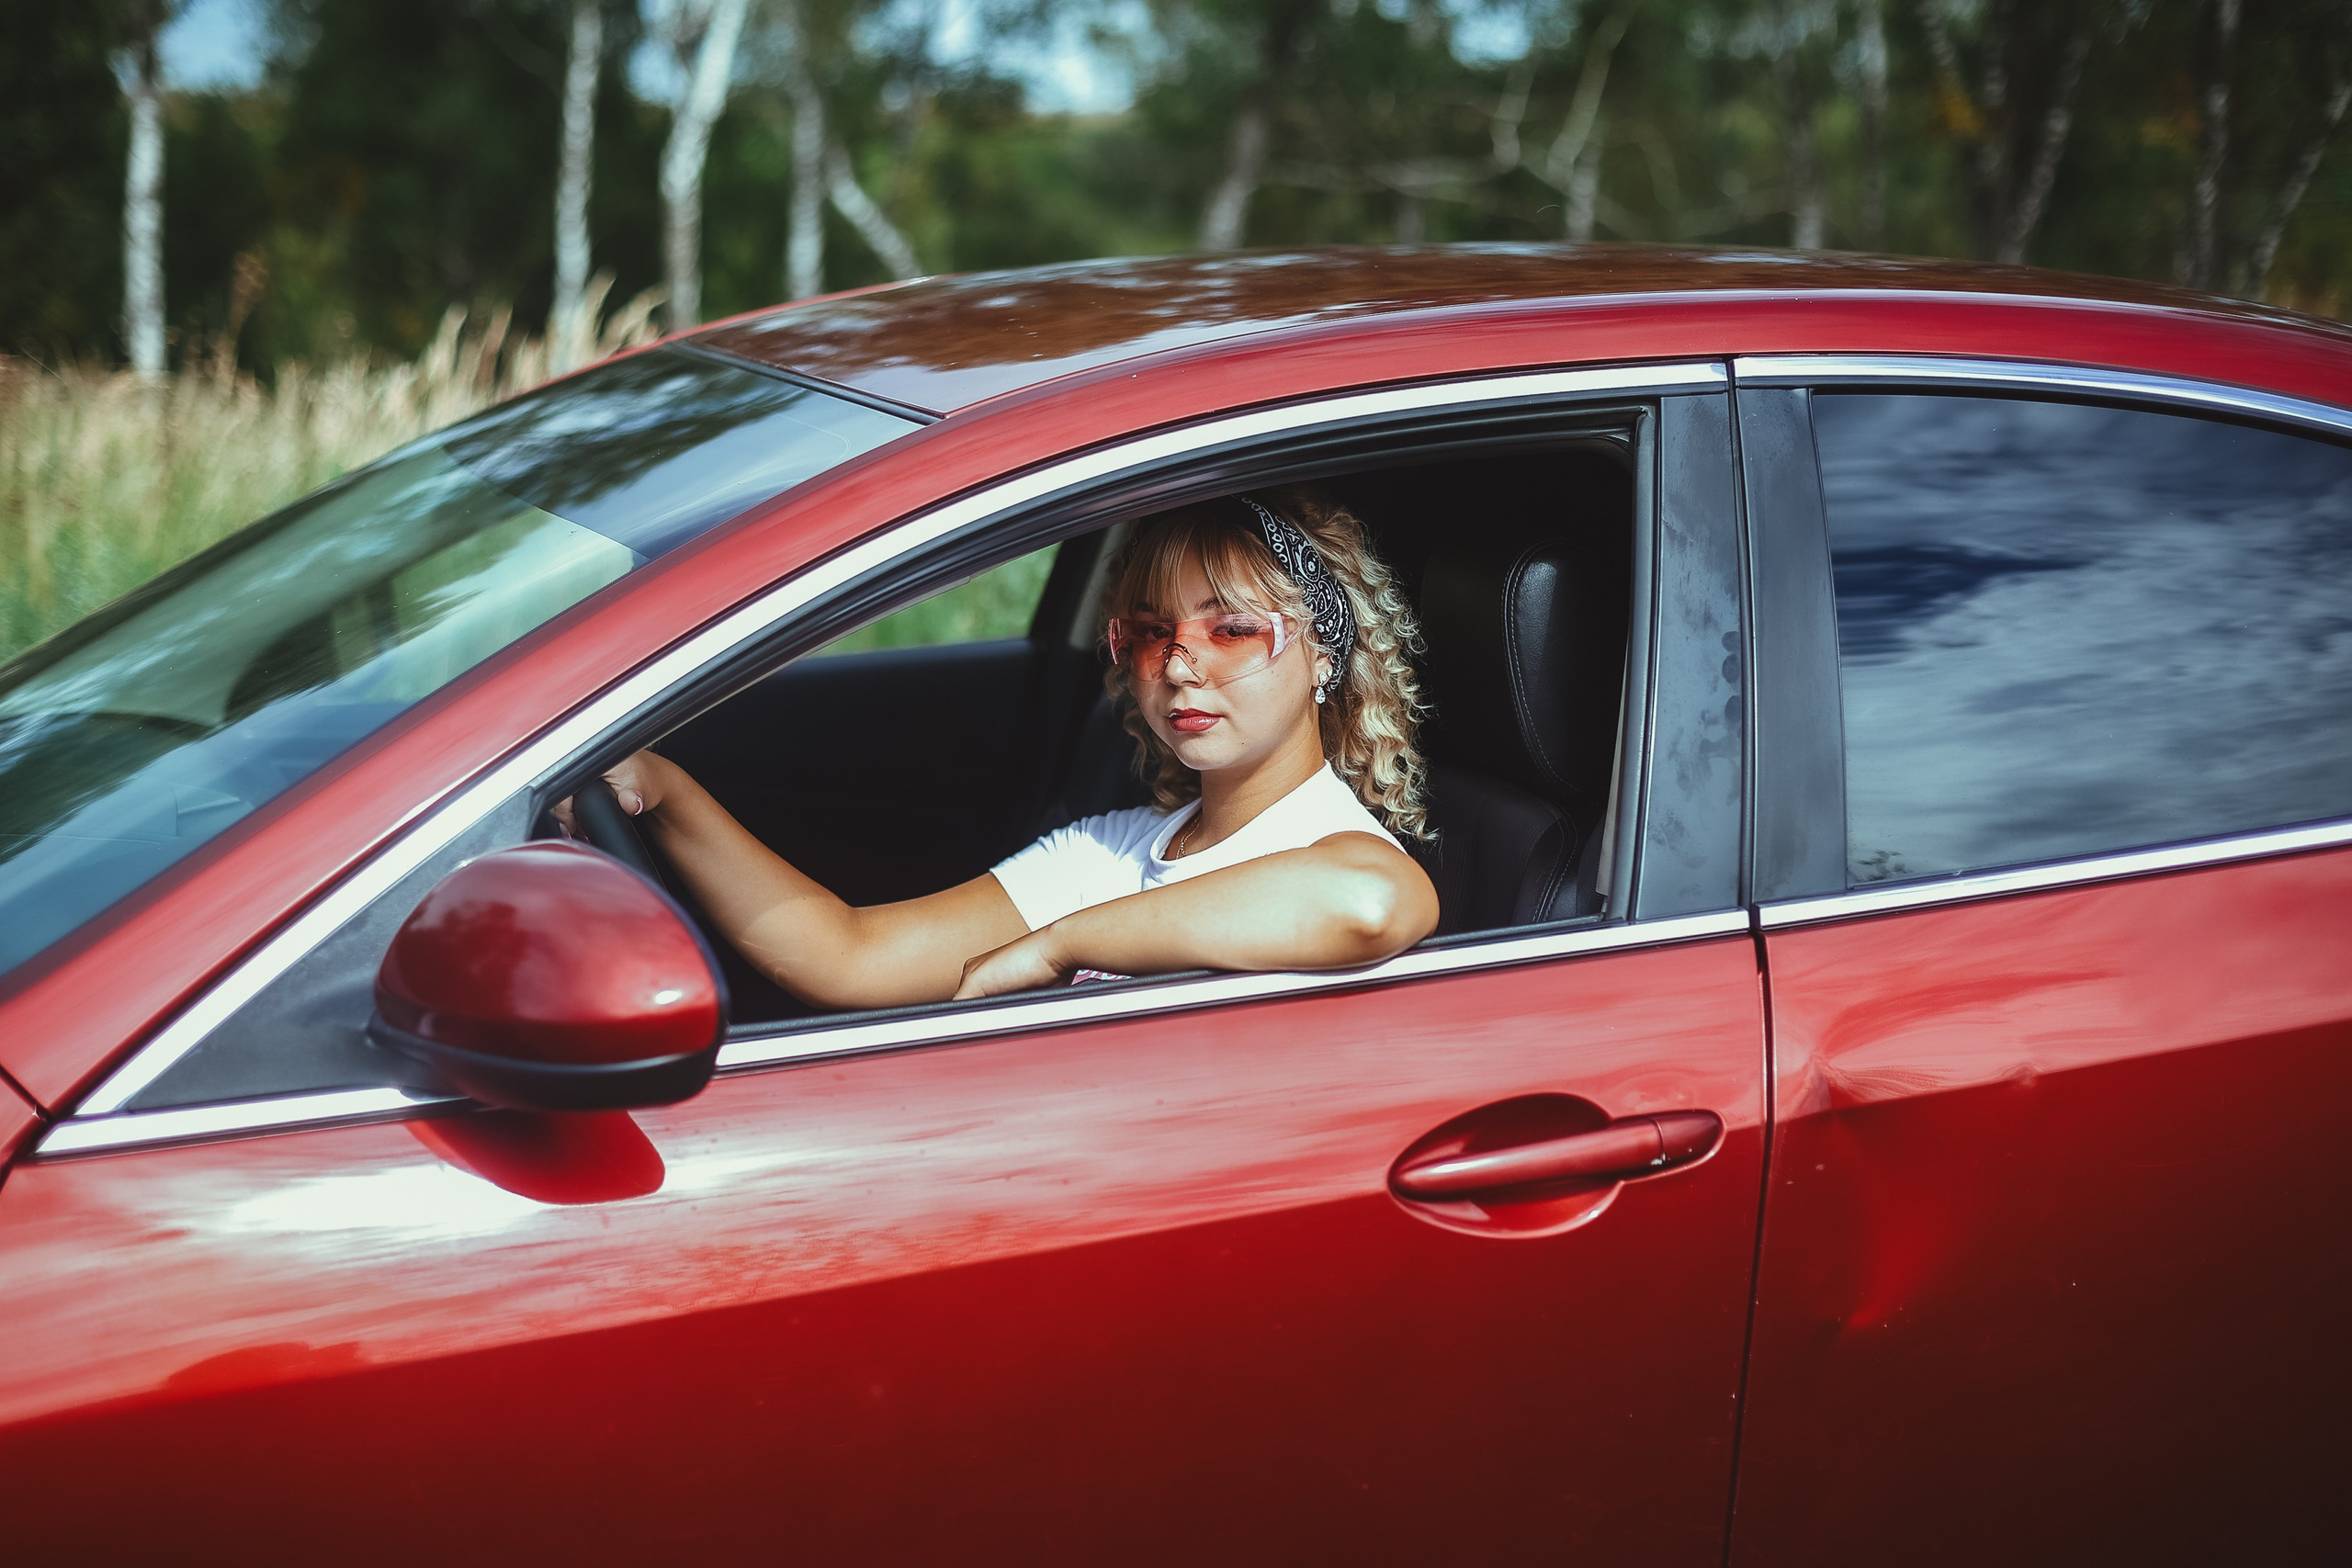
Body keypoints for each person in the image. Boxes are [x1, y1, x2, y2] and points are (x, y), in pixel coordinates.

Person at [559, 487, 1440, 1006]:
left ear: (1325, 652)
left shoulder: (1336, 853)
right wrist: (667, 791)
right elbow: (848, 955)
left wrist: (1057, 947)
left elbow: (1369, 901)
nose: (1180, 665)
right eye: (1148, 632)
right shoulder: (1113, 846)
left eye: (1234, 630)